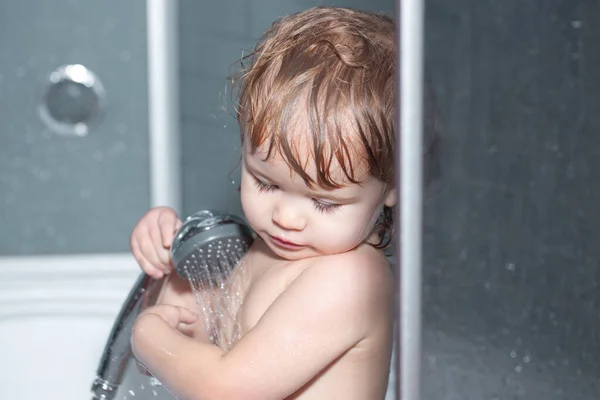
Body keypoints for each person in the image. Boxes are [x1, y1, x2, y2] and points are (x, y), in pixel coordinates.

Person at [130, 6, 400, 399]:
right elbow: (190, 347)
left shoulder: (351, 279)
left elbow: (225, 390)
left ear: (394, 184)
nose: (285, 218)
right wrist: (171, 257)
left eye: (324, 203)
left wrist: (146, 337)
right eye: (266, 183)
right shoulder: (263, 252)